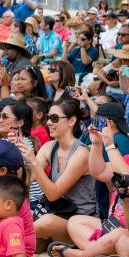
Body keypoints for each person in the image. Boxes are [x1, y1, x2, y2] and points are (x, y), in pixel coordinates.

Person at [51, 115, 129, 257]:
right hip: (113, 224)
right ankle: (99, 254)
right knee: (75, 222)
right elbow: (99, 172)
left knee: (118, 235)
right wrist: (97, 144)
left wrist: (110, 146)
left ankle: (83, 256)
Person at [19, 98, 95, 242]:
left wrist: (34, 162)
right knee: (13, 213)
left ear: (71, 121)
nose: (48, 123)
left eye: (54, 118)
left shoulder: (81, 153)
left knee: (45, 222)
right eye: (48, 118)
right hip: (56, 212)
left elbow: (53, 194)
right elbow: (27, 180)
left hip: (78, 221)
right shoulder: (50, 146)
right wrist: (16, 154)